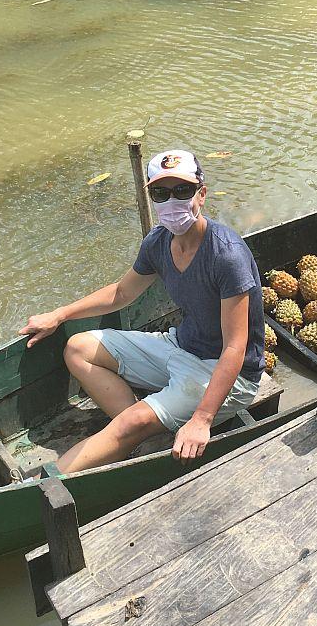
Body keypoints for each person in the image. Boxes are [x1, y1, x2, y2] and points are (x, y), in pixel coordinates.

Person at [19, 149, 264, 473]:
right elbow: (122, 293)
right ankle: (138, 432)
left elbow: (236, 346)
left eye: (183, 191)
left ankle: (40, 489)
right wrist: (60, 315)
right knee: (78, 348)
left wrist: (202, 420)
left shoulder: (225, 255)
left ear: (201, 194)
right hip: (181, 345)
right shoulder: (158, 242)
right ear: (151, 198)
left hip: (226, 373)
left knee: (128, 425)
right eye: (161, 193)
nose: (172, 201)